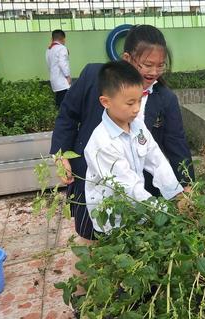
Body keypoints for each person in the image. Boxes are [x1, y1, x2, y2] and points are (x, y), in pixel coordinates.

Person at [50, 24, 194, 241]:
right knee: (92, 239)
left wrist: (184, 185)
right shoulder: (95, 77)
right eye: (147, 65)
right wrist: (61, 154)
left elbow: (172, 146)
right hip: (94, 182)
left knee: (134, 245)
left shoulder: (164, 99)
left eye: (160, 66)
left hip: (141, 189)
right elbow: (67, 115)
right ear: (127, 58)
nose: (154, 72)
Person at [84, 61, 184, 234]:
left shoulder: (136, 125)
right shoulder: (102, 144)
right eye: (130, 103)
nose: (137, 109)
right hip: (113, 221)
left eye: (139, 100)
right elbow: (128, 187)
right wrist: (165, 211)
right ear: (105, 102)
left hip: (137, 211)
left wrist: (176, 194)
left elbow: (157, 160)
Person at [46, 29, 71, 108]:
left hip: (54, 79)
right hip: (62, 80)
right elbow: (62, 63)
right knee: (65, 102)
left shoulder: (49, 49)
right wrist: (67, 76)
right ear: (63, 38)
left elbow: (49, 63)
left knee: (59, 100)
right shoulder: (62, 48)